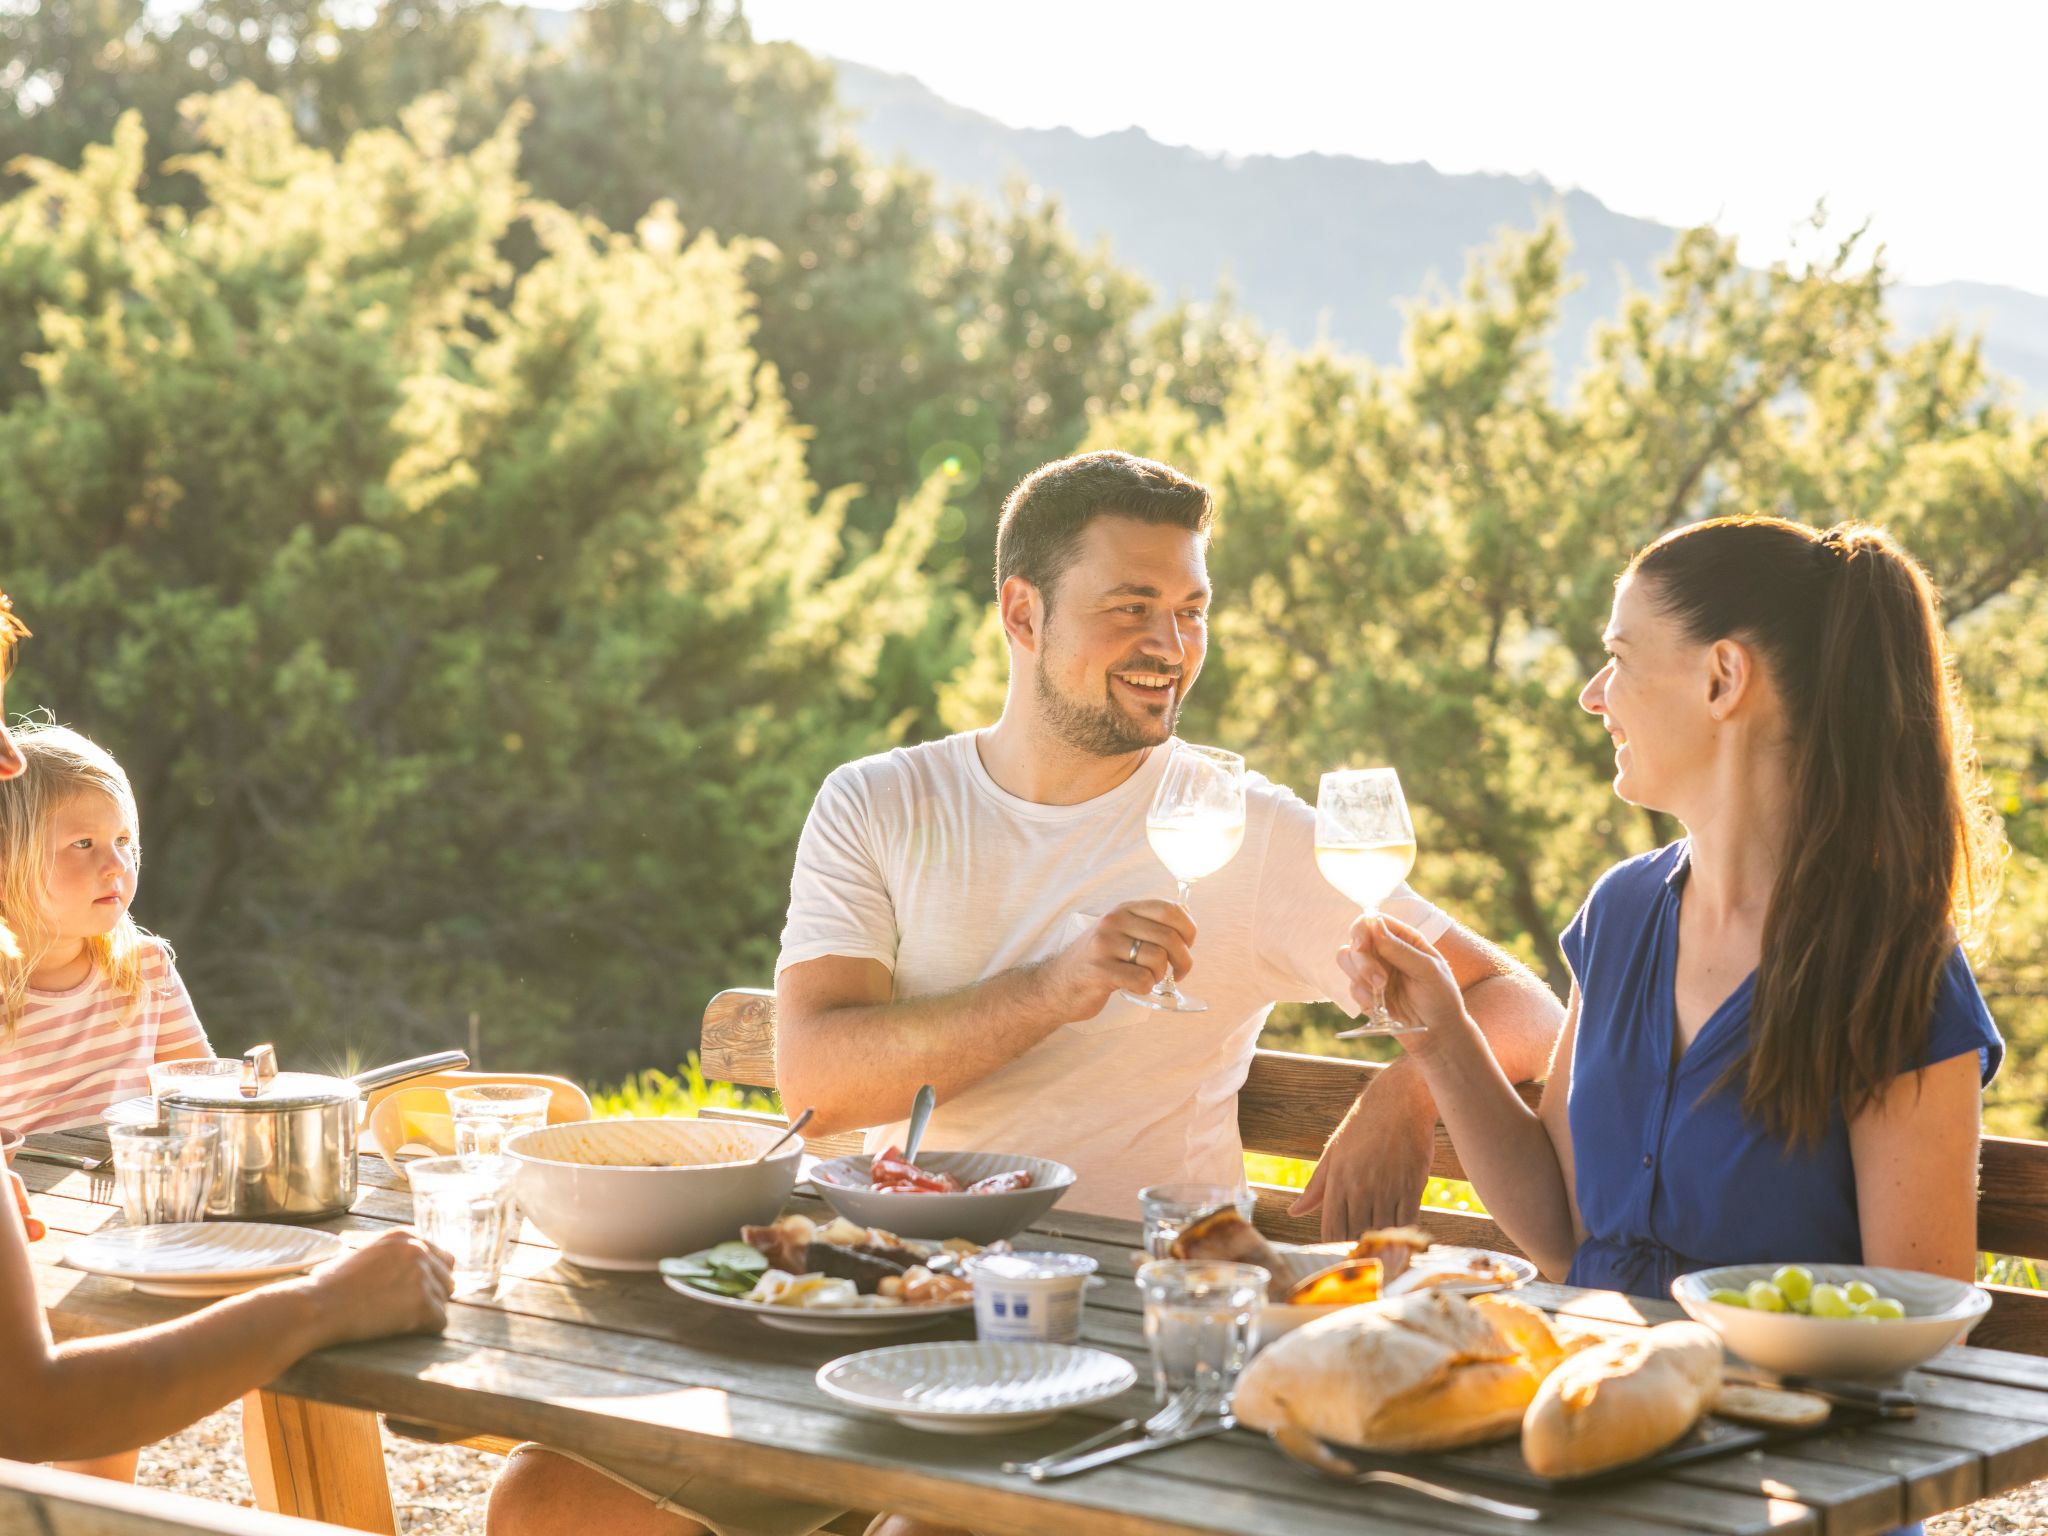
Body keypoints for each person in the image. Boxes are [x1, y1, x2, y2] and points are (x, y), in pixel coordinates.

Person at [481, 450, 1565, 1536]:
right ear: (1021, 611)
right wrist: (1054, 987)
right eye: (1130, 606)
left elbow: (1521, 1004)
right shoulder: (880, 803)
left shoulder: (1247, 829)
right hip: (864, 1308)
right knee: (546, 1501)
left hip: (1108, 1339)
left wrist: (1409, 1091)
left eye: (1190, 610)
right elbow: (817, 1082)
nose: (1170, 645)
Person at [1344, 516, 2004, 1298]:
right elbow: (1564, 1236)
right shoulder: (1620, 912)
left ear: (1723, 678)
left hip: (1787, 1413)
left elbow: (1922, 1314)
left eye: (1618, 659)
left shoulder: (1891, 962)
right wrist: (1439, 1032)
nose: (1592, 696)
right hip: (1598, 1387)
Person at [0, 591, 457, 1476]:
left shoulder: (144, 966)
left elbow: (194, 1083)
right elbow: (39, 1409)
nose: (6, 756)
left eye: (124, 841)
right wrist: (320, 1305)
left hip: (119, 1225)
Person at [0, 722, 213, 1135]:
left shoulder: (145, 969)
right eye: (83, 844)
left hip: (133, 1193)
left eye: (122, 840)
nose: (117, 865)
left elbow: (204, 1099)